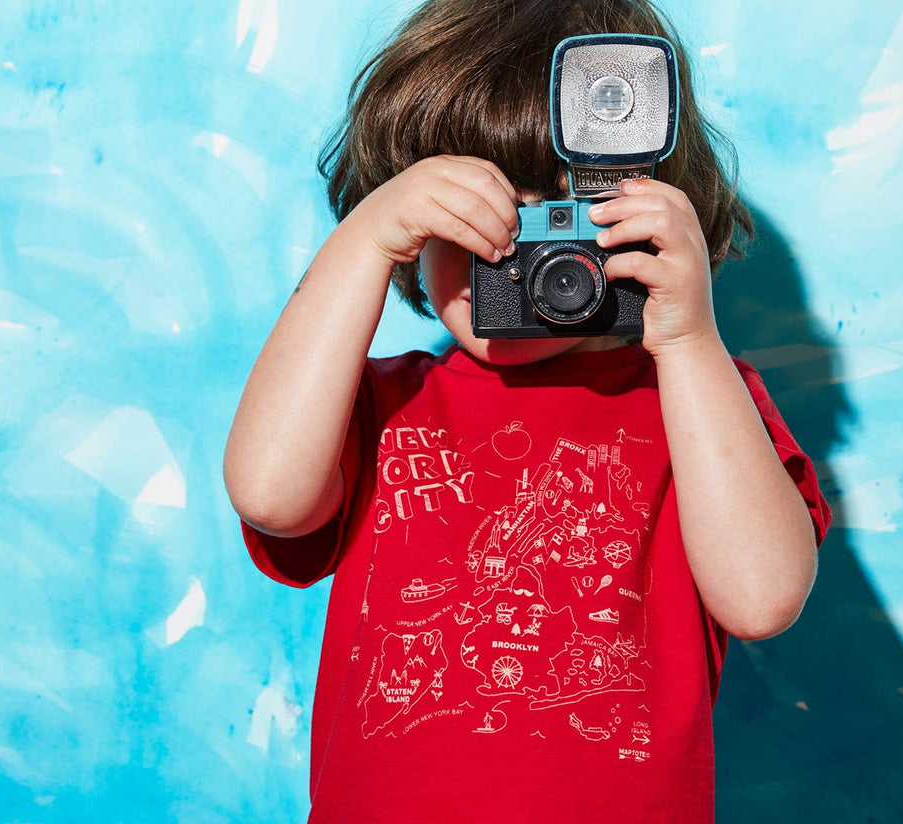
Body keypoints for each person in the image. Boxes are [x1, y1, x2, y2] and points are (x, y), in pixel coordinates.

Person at [223, 0, 832, 821]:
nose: (508, 259)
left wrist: (689, 338)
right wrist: (365, 238)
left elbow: (762, 599)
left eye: (558, 224)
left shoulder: (701, 402)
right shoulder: (375, 403)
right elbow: (268, 494)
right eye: (465, 220)